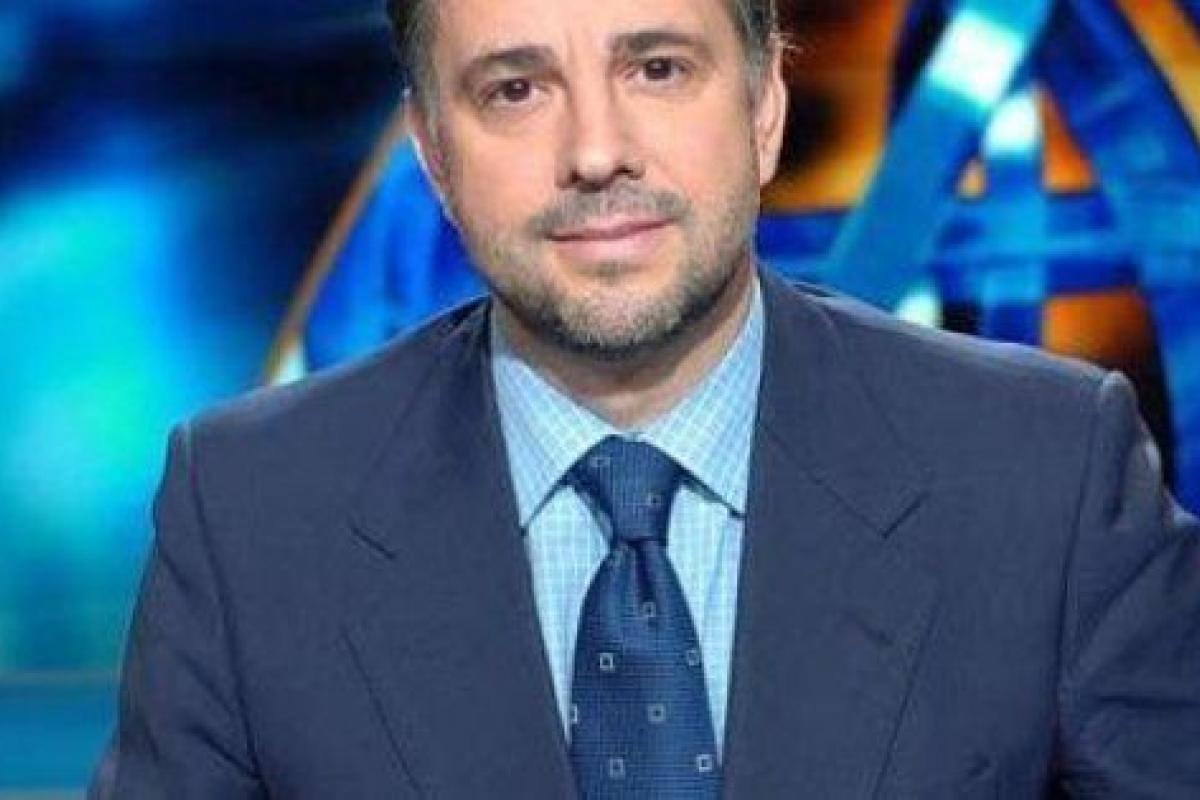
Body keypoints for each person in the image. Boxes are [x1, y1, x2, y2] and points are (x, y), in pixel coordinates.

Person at [92, 0, 1200, 796]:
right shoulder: (250, 510)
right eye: (515, 89)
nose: (596, 151)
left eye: (658, 68)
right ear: (432, 154)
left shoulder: (1049, 473)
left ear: (764, 105)